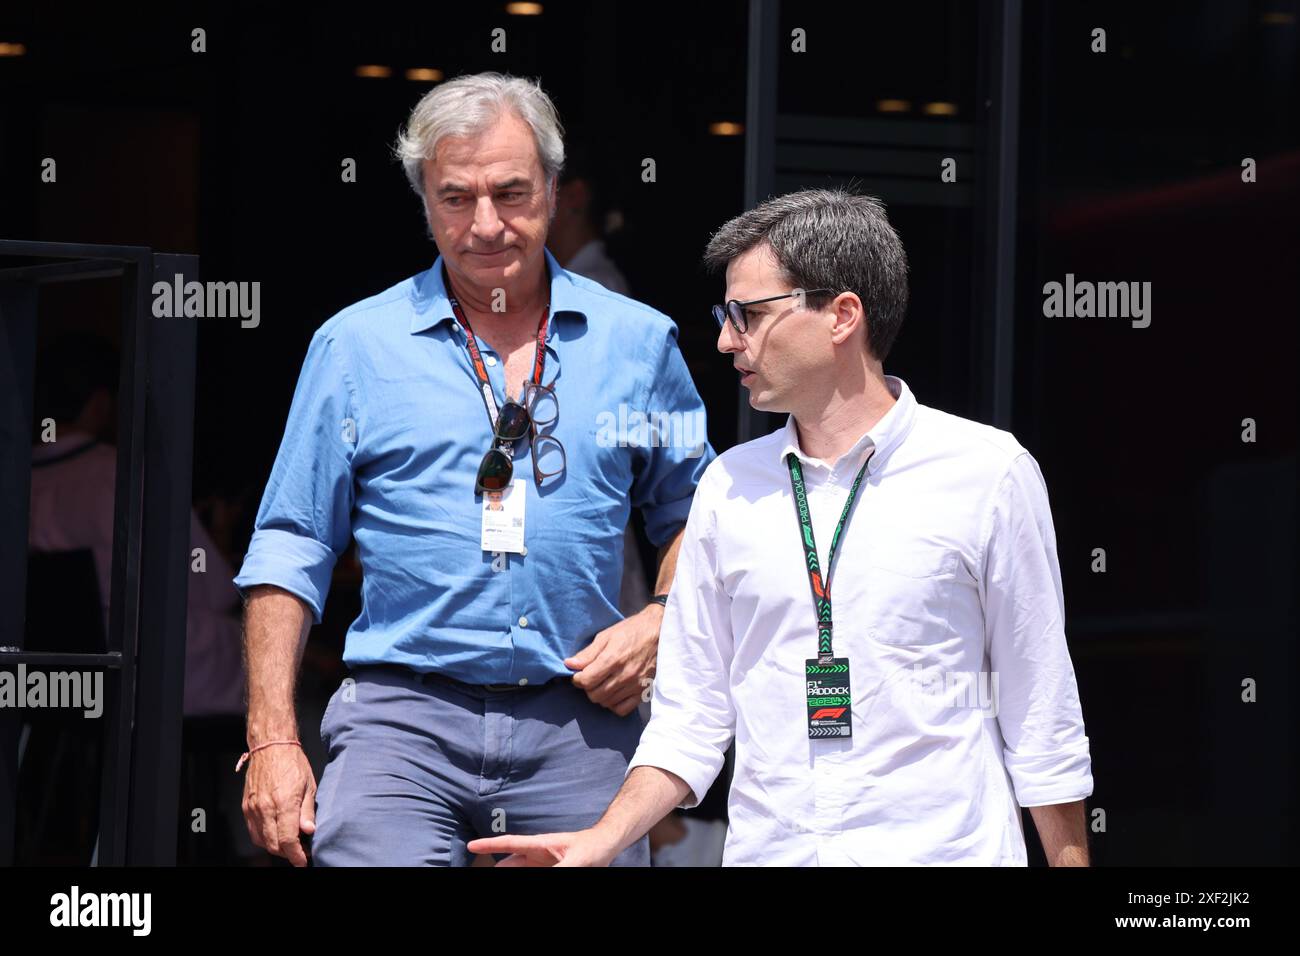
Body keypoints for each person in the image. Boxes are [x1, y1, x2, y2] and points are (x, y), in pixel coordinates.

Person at [469, 188, 1095, 866]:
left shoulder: (987, 473)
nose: (724, 340)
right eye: (723, 314)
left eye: (747, 314)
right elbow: (690, 722)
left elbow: (1041, 713)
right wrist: (600, 841)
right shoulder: (729, 487)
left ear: (842, 315)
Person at [232, 72, 714, 867]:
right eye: (456, 197)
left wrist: (663, 619)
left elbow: (701, 512)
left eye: (511, 193)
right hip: (399, 722)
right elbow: (291, 544)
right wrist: (273, 739)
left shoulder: (641, 343)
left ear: (555, 191)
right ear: (424, 198)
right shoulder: (355, 348)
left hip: (580, 723)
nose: (486, 224)